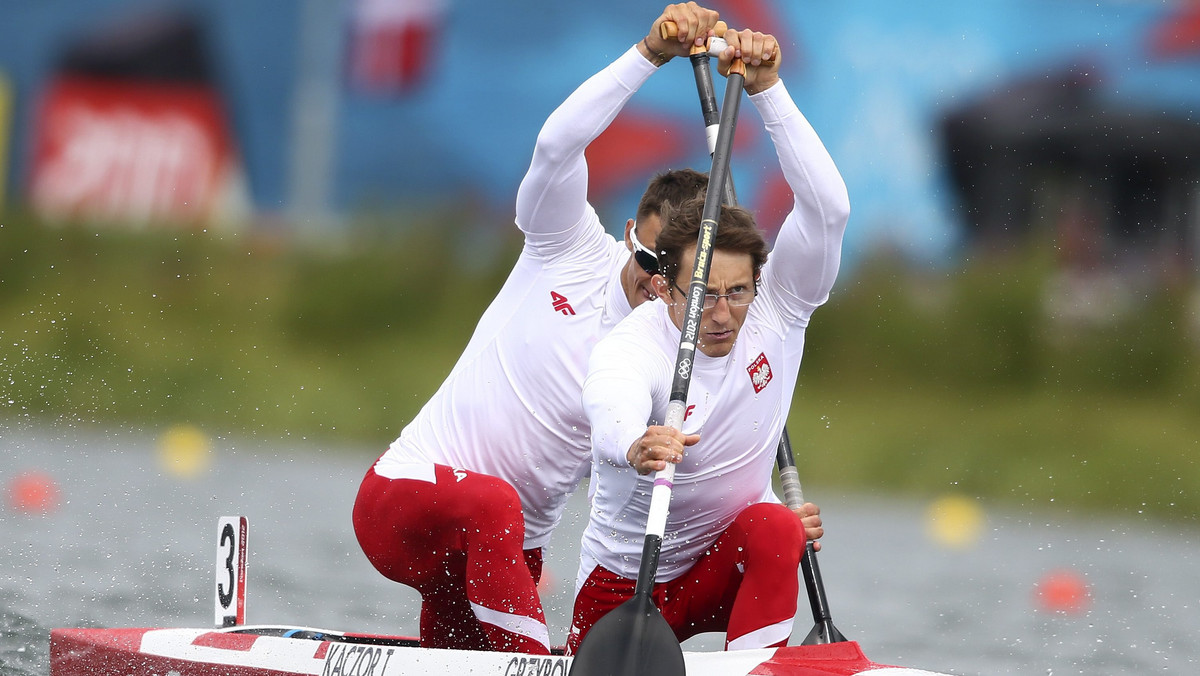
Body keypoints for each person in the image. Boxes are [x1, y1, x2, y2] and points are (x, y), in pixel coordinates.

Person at [352, 3, 726, 655]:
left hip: (499, 555)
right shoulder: (568, 245)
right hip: (404, 503)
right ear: (632, 232)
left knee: (478, 608)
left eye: (677, 276)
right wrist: (649, 54)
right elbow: (558, 143)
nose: (653, 284)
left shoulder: (676, 358)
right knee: (495, 506)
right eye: (649, 260)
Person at [566, 26, 850, 654]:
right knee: (775, 525)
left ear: (758, 283)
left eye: (737, 292)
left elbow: (827, 210)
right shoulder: (634, 343)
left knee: (778, 530)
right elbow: (606, 400)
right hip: (622, 588)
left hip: (721, 570)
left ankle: (753, 667)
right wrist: (634, 443)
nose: (721, 314)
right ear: (667, 288)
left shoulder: (779, 310)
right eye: (703, 295)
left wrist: (769, 90)